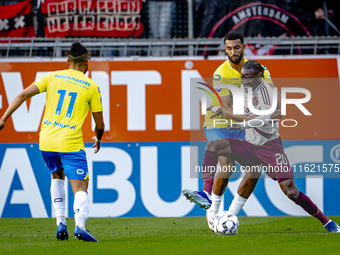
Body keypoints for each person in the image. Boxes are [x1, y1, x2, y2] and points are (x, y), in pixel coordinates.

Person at [202, 60, 340, 233]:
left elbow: (264, 119)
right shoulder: (243, 89)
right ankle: (211, 200)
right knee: (215, 145)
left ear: (260, 76)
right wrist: (220, 109)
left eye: (249, 78)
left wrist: (240, 125)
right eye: (242, 77)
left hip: (269, 146)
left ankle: (326, 222)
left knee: (290, 191)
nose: (245, 82)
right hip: (250, 144)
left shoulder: (268, 93)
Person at [0, 42, 105, 242]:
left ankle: (60, 223)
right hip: (70, 142)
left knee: (57, 177)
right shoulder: (91, 86)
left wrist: (3, 118)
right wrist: (98, 139)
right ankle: (80, 226)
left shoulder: (51, 76)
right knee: (81, 187)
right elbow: (99, 124)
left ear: (68, 61)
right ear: (86, 63)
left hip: (46, 141)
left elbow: (22, 95)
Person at [182, 31, 280, 209]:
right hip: (218, 123)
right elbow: (226, 111)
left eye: (236, 47)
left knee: (255, 170)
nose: (233, 52)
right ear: (225, 50)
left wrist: (278, 108)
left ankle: (231, 213)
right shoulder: (221, 73)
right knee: (226, 163)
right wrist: (256, 118)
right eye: (229, 49)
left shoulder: (259, 69)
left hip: (243, 125)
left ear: (244, 47)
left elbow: (273, 94)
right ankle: (209, 200)